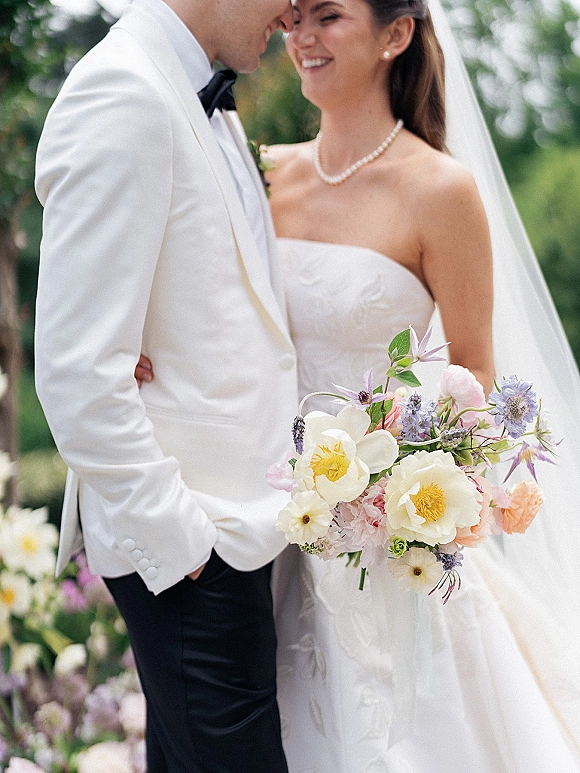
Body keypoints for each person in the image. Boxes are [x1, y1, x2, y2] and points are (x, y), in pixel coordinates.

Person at [134, 0, 580, 769]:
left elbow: (474, 370)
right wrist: (144, 343)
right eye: (296, 17)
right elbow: (199, 302)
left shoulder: (442, 191)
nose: (301, 36)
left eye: (329, 17)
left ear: (396, 34)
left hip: (386, 542)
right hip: (260, 527)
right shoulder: (260, 170)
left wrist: (394, 478)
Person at [34, 0, 298, 770]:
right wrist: (184, 545)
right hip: (191, 546)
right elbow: (79, 370)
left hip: (239, 533)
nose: (292, 12)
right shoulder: (123, 91)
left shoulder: (198, 99)